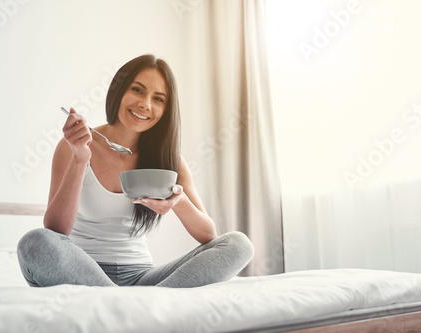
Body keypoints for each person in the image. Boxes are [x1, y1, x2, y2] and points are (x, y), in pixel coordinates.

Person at [17, 54, 254, 288]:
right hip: (81, 273)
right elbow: (56, 230)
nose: (145, 104)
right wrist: (80, 159)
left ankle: (135, 305)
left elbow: (208, 234)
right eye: (138, 90)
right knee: (35, 242)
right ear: (118, 91)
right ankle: (137, 307)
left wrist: (177, 202)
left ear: (166, 110)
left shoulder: (170, 161)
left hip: (142, 278)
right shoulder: (75, 147)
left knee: (239, 244)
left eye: (158, 99)